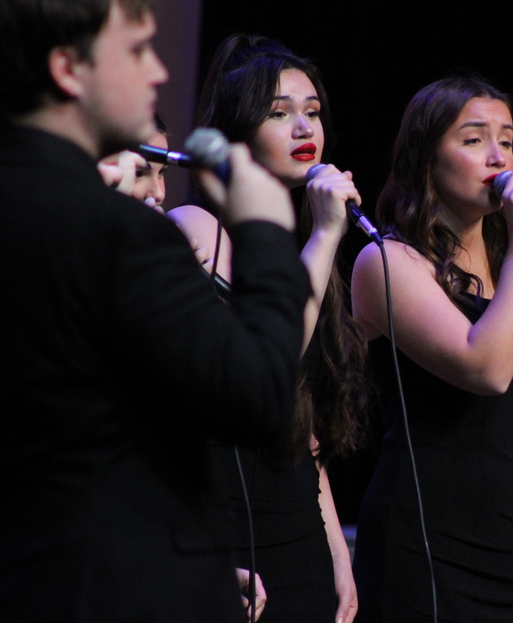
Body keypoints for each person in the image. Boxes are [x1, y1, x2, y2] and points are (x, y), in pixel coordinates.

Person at [0, 0, 311, 621]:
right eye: (137, 50)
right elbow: (260, 397)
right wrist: (268, 236)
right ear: (68, 67)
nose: (159, 71)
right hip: (128, 586)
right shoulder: (119, 233)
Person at [350, 77, 513, 623]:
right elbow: (485, 368)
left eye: (507, 141)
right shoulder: (387, 262)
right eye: (473, 140)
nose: (498, 157)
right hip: (427, 540)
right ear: (424, 159)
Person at [169, 34, 364, 623]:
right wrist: (328, 234)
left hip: (297, 524)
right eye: (279, 114)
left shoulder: (302, 250)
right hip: (218, 524)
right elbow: (271, 360)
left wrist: (336, 547)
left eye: (312, 112)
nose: (305, 128)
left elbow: (303, 421)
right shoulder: (197, 226)